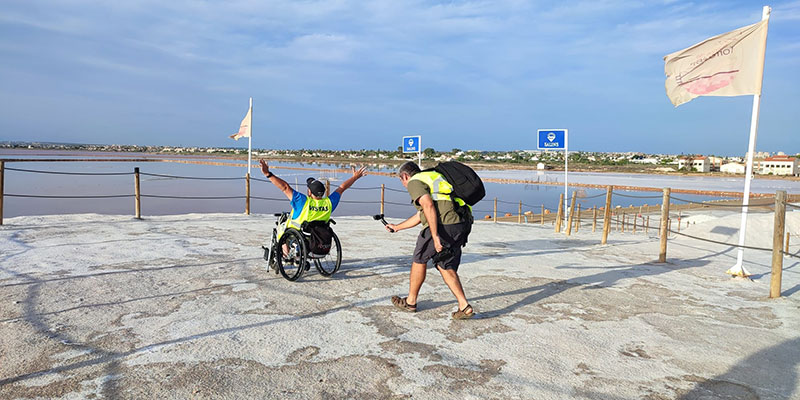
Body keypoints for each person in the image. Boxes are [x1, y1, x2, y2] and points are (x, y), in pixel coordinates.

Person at [384, 161, 474, 320]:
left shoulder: (415, 181)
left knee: (419, 259)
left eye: (402, 180)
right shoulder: (434, 177)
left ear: (405, 176)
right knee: (444, 265)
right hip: (460, 223)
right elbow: (422, 214)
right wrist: (397, 227)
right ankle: (464, 306)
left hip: (443, 225)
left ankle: (410, 301)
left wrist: (434, 236)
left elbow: (428, 206)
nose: (404, 184)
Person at [259, 159, 367, 261]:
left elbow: (285, 187)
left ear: (309, 192)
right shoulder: (329, 203)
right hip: (316, 235)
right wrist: (355, 177)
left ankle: (285, 253)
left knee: (280, 228)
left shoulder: (303, 201)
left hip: (297, 232)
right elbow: (342, 188)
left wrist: (267, 173)